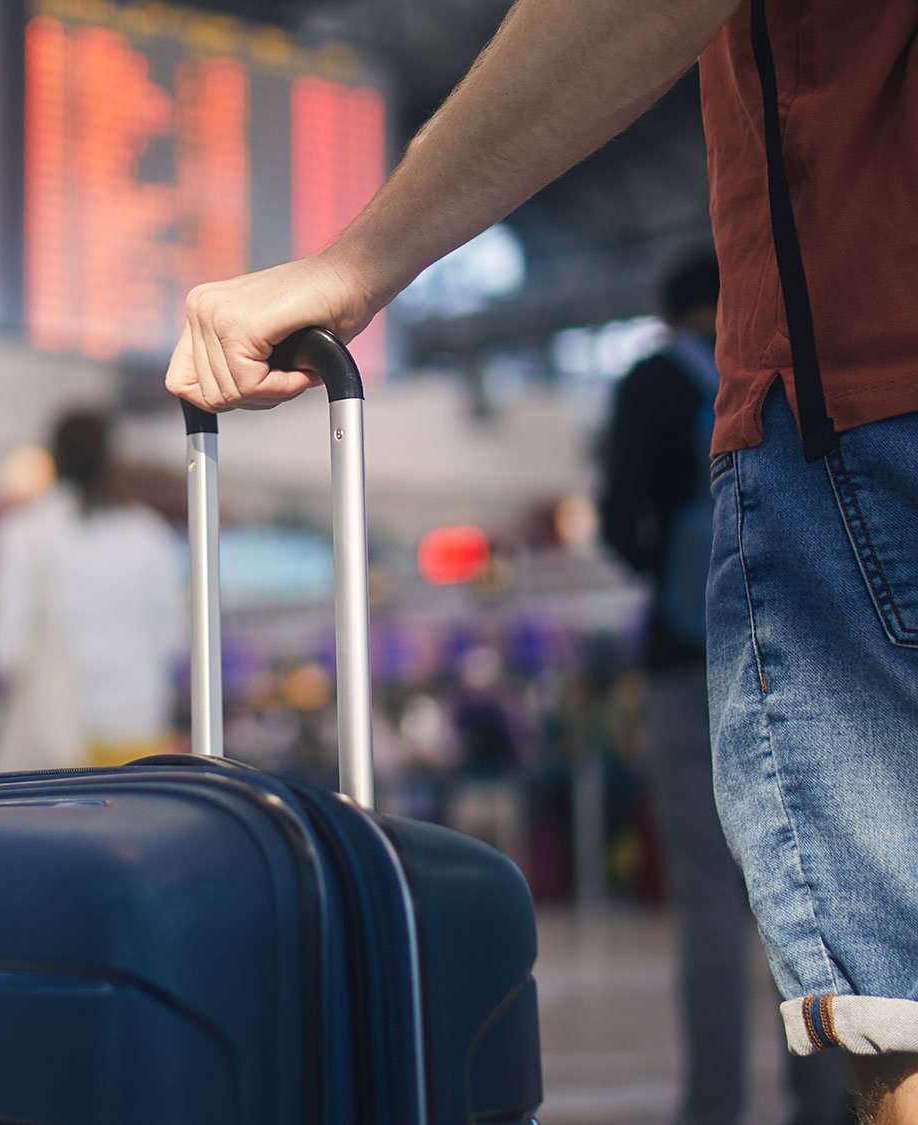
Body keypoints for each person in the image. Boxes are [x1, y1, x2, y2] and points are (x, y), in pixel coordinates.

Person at [165, 1, 918, 1116]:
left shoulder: (660, 386)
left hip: (862, 394)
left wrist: (356, 262)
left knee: (885, 996)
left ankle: (714, 1098)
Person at [602, 254, 847, 1125]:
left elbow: (617, 520)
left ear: (670, 310)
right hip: (802, 649)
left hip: (686, 655)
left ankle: (712, 1104)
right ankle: (825, 1100)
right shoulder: (784, 363)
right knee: (812, 886)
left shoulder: (654, 384)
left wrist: (662, 560)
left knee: (708, 889)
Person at [0, 408, 183, 769]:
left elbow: (2, 649)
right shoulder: (149, 535)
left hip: (53, 733)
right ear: (111, 459)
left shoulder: (22, 533)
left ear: (54, 457)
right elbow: (174, 637)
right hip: (136, 728)